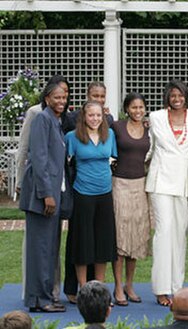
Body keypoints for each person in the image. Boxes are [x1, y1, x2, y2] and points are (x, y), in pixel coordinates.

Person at [146, 79, 188, 306]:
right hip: (160, 182)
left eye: (180, 95)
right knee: (164, 232)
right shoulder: (156, 117)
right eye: (172, 96)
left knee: (179, 235)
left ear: (186, 96)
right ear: (167, 97)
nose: (176, 99)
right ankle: (161, 289)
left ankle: (177, 288)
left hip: (183, 182)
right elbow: (147, 147)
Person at [15, 75, 70, 304]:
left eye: (64, 97)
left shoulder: (55, 121)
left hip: (53, 194)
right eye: (57, 96)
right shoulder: (41, 119)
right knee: (40, 250)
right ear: (47, 98)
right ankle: (39, 299)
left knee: (49, 250)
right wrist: (47, 194)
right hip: (42, 197)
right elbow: (38, 159)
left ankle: (46, 296)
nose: (61, 100)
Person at [65, 100, 118, 290]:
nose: (95, 119)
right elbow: (66, 164)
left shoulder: (109, 135)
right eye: (91, 115)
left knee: (103, 242)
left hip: (105, 194)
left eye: (98, 115)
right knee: (83, 242)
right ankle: (83, 287)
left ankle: (99, 287)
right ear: (84, 117)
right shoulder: (72, 137)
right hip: (83, 194)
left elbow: (113, 158)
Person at [110, 92, 151, 306]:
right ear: (127, 109)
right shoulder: (116, 127)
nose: (137, 111)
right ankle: (117, 286)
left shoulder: (148, 129)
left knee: (135, 238)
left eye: (141, 107)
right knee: (120, 237)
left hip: (140, 186)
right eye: (133, 107)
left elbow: (151, 156)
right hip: (120, 185)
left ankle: (129, 285)